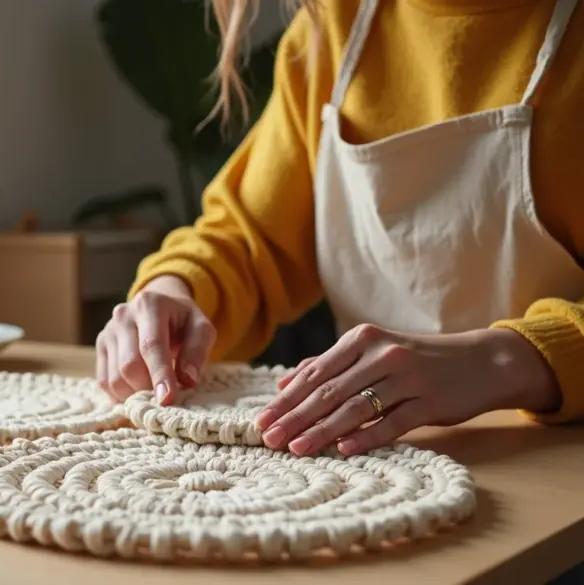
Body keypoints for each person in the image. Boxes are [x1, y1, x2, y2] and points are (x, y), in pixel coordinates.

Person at [95, 0, 584, 459]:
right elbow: (249, 242)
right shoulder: (337, 26)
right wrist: (178, 290)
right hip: (373, 464)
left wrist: (508, 361)